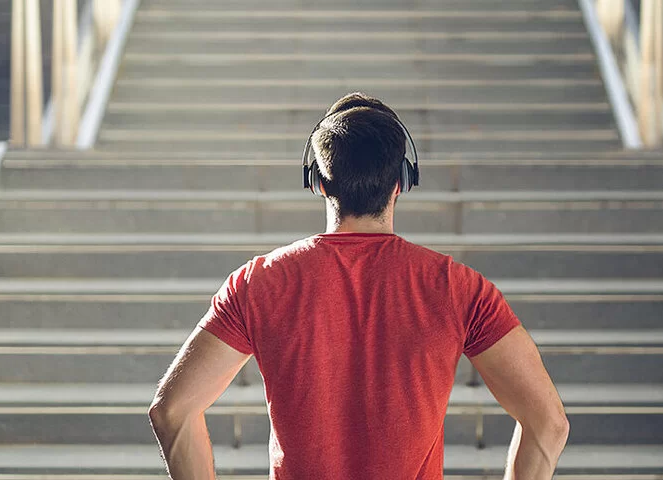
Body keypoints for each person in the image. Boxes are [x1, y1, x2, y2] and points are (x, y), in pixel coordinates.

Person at [149, 93, 569, 479]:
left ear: (318, 181)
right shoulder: (459, 290)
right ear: (402, 180)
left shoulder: (258, 283)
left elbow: (172, 412)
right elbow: (548, 423)